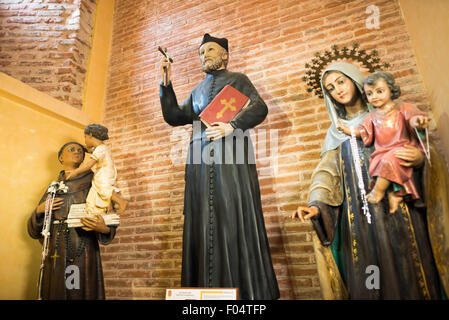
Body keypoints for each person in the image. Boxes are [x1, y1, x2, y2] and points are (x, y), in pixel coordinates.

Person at [291, 62, 444, 299]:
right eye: (331, 88)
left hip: (399, 209)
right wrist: (315, 205)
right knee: (370, 274)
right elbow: (327, 174)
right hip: (360, 218)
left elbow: (423, 147)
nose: (338, 90)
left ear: (354, 80)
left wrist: (419, 158)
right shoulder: (336, 132)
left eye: (341, 81)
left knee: (409, 264)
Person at [159, 33, 280, 300]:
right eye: (201, 53)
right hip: (200, 165)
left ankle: (247, 292)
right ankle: (205, 292)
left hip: (232, 161)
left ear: (225, 55)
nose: (204, 56)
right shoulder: (198, 91)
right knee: (203, 222)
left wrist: (232, 126)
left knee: (233, 216)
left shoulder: (238, 80)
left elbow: (259, 108)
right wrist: (166, 83)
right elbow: (175, 116)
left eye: (210, 50)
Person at [27, 141, 119, 299]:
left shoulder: (94, 181)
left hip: (80, 246)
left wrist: (103, 227)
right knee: (56, 289)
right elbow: (35, 230)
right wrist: (39, 210)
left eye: (80, 150)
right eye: (71, 149)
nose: (77, 152)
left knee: (75, 287)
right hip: (56, 248)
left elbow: (108, 213)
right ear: (61, 157)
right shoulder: (54, 187)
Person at [337, 71, 430, 213]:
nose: (374, 97)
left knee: (390, 161)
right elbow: (362, 131)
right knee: (385, 162)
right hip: (382, 153)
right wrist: (348, 130)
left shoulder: (402, 108)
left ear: (391, 90)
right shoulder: (371, 116)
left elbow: (413, 118)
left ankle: (378, 191)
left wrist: (418, 122)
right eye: (370, 94)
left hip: (401, 148)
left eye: (379, 91)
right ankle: (395, 194)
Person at [66, 124, 127, 215]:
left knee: (103, 190)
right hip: (100, 174)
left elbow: (89, 164)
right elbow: (92, 151)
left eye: (85, 137)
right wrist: (85, 149)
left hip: (104, 174)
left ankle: (121, 202)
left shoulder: (101, 149)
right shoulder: (101, 148)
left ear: (90, 135)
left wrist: (76, 172)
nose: (85, 140)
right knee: (93, 197)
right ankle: (106, 210)